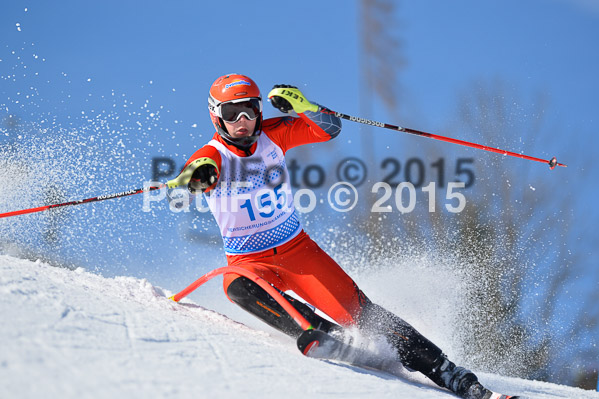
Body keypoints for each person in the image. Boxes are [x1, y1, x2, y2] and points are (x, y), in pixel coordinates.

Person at [167, 74, 500, 399]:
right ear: (216, 116)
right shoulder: (210, 157)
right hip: (250, 262)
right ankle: (327, 337)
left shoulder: (273, 135)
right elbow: (178, 194)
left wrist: (303, 106)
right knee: (236, 287)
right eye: (231, 113)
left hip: (299, 253)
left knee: (365, 316)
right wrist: (189, 183)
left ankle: (450, 373)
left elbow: (328, 130)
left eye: (251, 109)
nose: (243, 120)